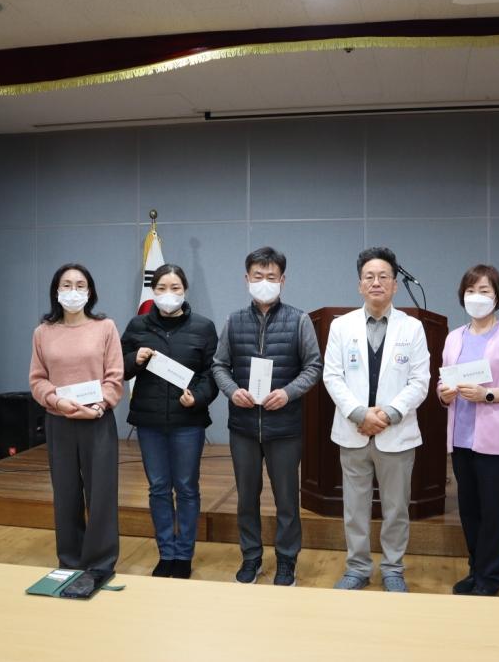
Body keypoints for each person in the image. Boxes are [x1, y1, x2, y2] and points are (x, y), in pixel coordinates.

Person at [212, 247, 323, 587]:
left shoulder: (299, 320)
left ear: (282, 280)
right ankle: (251, 557)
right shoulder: (233, 321)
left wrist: (288, 393)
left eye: (271, 277)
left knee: (287, 499)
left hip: (284, 428)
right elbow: (219, 365)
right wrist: (233, 391)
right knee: (247, 497)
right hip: (243, 427)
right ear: (246, 279)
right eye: (257, 276)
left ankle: (287, 560)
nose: (264, 282)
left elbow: (313, 366)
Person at [322, 246, 429, 593]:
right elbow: (332, 376)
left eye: (384, 276)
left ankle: (393, 569)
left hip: (396, 433)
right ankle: (357, 568)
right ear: (359, 285)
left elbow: (420, 381)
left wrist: (388, 414)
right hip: (353, 431)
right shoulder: (341, 326)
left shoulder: (413, 328)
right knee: (354, 508)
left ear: (395, 285)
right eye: (369, 276)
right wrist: (359, 414)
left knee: (396, 509)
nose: (376, 282)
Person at [438, 265, 499, 597]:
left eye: (484, 291)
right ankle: (475, 569)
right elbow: (443, 381)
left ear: (498, 296)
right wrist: (443, 393)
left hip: (496, 442)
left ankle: (491, 577)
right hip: (461, 439)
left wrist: (489, 395)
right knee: (469, 510)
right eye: (470, 291)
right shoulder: (454, 337)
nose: (476, 297)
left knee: (493, 511)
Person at [121, 264, 218, 580]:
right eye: (162, 288)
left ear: (185, 290)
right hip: (149, 423)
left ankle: (184, 554)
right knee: (159, 488)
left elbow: (213, 373)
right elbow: (117, 367)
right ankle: (166, 553)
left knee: (187, 488)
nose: (168, 294)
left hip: (188, 421)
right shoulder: (137, 325)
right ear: (153, 291)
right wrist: (134, 360)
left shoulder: (203, 327)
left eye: (175, 288)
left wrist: (198, 397)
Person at [29, 263, 124, 577]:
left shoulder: (105, 327)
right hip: (60, 422)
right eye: (67, 285)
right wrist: (56, 401)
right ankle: (70, 561)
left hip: (97, 420)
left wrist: (98, 406)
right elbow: (37, 379)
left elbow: (114, 377)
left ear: (90, 291)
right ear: (56, 291)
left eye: (80, 285)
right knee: (66, 494)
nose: (73, 291)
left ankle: (100, 563)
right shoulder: (43, 332)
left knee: (101, 494)